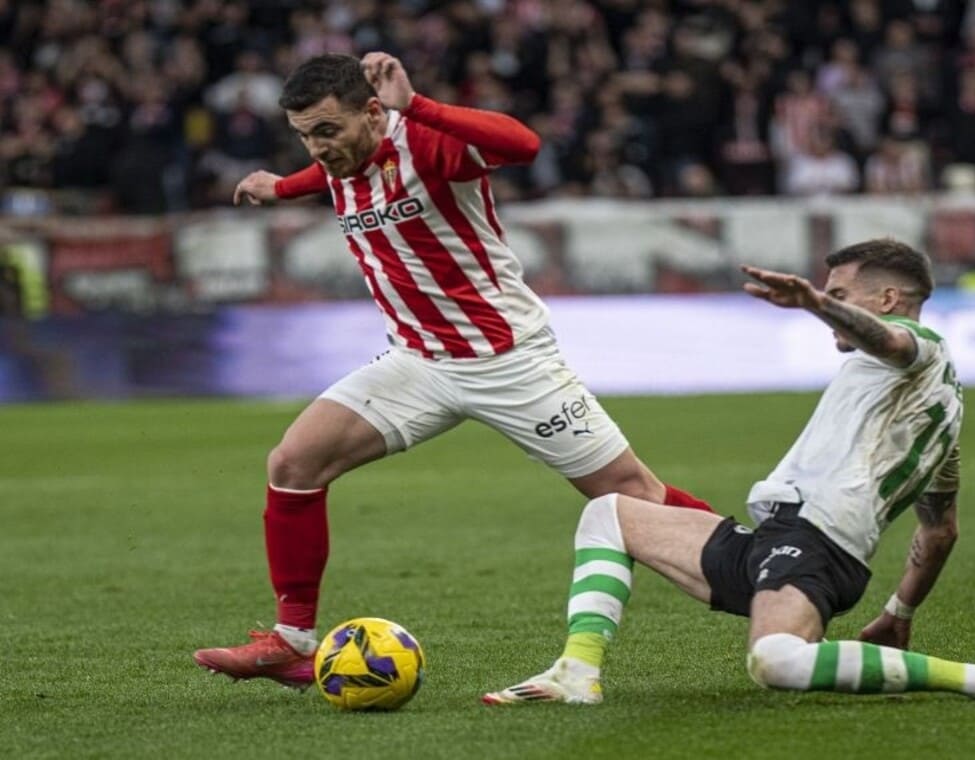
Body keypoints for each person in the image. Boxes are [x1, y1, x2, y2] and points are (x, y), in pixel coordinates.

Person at [192, 52, 711, 688]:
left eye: (326, 131)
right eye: (304, 135)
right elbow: (329, 176)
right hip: (418, 362)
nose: (317, 148)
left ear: (374, 112)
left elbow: (522, 145)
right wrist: (282, 185)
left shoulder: (428, 146)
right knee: (294, 463)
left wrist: (422, 106)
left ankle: (766, 568)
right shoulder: (338, 163)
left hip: (506, 360)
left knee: (632, 497)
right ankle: (293, 640)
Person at [483, 240, 975, 705]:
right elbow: (941, 532)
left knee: (776, 663)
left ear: (886, 301)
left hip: (817, 545)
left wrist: (812, 304)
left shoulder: (917, 345)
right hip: (772, 539)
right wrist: (898, 615)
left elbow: (892, 343)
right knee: (608, 514)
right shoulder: (938, 417)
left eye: (842, 294)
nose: (833, 308)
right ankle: (577, 673)